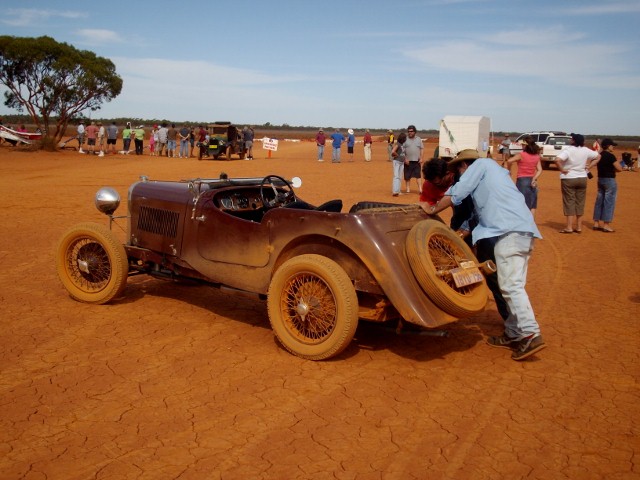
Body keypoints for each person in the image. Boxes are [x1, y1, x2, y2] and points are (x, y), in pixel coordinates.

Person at [423, 149, 545, 361]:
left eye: (458, 170)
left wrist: (431, 210)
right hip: (513, 231)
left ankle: (530, 333)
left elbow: (456, 194)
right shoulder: (493, 174)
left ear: (464, 166)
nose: (458, 175)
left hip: (510, 232)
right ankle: (514, 332)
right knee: (509, 285)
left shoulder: (480, 166)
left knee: (510, 286)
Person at [422, 154, 511, 324]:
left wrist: (463, 231)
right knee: (455, 266)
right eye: (434, 184)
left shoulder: (466, 180)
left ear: (449, 174)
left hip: (484, 228)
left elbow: (476, 212)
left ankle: (510, 321)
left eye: (440, 183)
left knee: (491, 272)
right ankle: (457, 304)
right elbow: (428, 208)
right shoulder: (433, 183)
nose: (438, 187)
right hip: (461, 226)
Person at [554, 133, 600, 234]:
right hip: (582, 177)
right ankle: (579, 227)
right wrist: (589, 166)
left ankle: (569, 227)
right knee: (580, 202)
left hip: (569, 178)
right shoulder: (586, 150)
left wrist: (562, 170)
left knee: (569, 201)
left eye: (572, 139)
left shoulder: (568, 150)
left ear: (574, 141)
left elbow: (557, 160)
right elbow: (598, 156)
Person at [506, 135, 543, 218]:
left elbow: (509, 161)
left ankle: (523, 222)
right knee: (532, 204)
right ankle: (531, 223)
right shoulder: (536, 156)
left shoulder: (521, 155)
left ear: (526, 145)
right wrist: (534, 178)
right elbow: (540, 170)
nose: (522, 146)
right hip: (532, 181)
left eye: (523, 145)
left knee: (522, 203)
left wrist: (509, 171)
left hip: (522, 181)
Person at [592, 138, 622, 233]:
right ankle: (606, 225)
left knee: (599, 201)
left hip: (600, 179)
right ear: (608, 146)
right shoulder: (611, 156)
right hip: (610, 180)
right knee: (609, 202)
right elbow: (619, 168)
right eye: (612, 145)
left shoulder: (599, 155)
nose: (613, 147)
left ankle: (596, 223)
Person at [403, 125, 424, 193]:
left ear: (414, 132)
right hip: (407, 161)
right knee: (407, 176)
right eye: (409, 131)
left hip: (416, 161)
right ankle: (408, 189)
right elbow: (402, 150)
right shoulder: (405, 139)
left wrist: (421, 158)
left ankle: (420, 189)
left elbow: (421, 149)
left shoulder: (418, 139)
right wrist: (405, 159)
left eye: (411, 131)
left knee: (418, 175)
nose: (410, 133)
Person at [390, 132, 406, 196]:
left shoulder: (402, 145)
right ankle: (395, 191)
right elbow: (393, 151)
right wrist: (397, 155)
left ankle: (398, 191)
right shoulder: (398, 144)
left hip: (401, 162)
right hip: (397, 162)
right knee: (396, 176)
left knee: (400, 177)